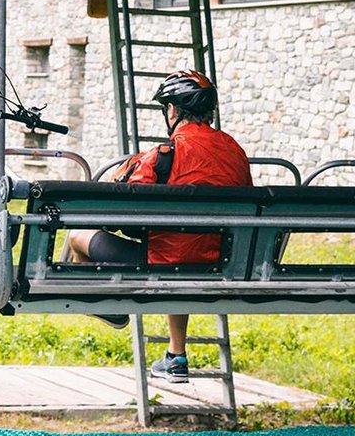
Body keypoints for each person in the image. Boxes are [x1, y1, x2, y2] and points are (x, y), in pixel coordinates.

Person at [69, 70, 252, 383]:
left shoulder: (164, 155)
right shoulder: (235, 152)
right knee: (180, 252)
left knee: (77, 236)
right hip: (220, 262)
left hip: (166, 263)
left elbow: (121, 212)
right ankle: (175, 356)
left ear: (172, 111)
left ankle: (104, 303)